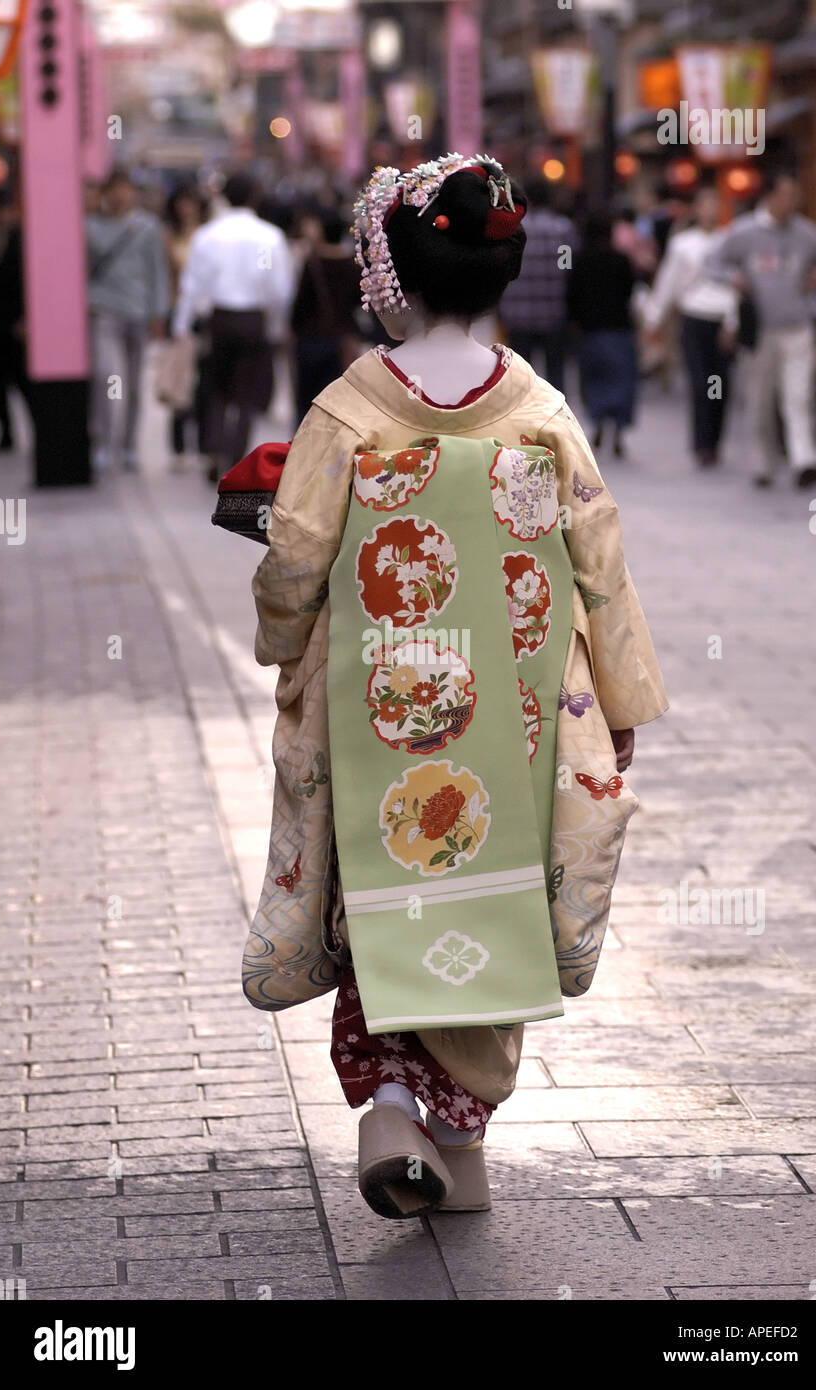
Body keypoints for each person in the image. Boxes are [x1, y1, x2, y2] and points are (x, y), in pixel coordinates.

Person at [240, 155, 668, 1220]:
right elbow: (599, 566)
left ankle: (392, 1107)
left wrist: (282, 642)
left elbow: (295, 555)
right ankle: (458, 1145)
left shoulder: (349, 409)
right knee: (500, 899)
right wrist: (618, 702)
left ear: (394, 276)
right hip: (521, 710)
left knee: (381, 892)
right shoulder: (540, 409)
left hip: (381, 703)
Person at [708, 172, 816, 488]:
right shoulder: (744, 233)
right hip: (759, 331)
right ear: (769, 197)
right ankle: (762, 462)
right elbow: (712, 264)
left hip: (798, 327)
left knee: (799, 396)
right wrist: (733, 279)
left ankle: (804, 459)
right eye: (785, 195)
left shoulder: (806, 233)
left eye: (794, 196)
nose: (791, 202)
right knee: (759, 399)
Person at [172, 172, 294, 482]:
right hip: (253, 320)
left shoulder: (208, 235)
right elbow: (280, 290)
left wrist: (182, 326)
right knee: (246, 393)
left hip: (219, 319)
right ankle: (235, 455)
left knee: (216, 387)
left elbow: (192, 285)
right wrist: (277, 328)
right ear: (254, 198)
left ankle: (212, 450)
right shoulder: (270, 236)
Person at [643, 188, 738, 466]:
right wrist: (654, 318)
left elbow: (736, 287)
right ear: (696, 209)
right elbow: (668, 282)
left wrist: (733, 322)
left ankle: (716, 440)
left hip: (722, 319)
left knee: (721, 383)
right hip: (694, 317)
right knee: (699, 382)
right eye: (705, 204)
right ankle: (701, 444)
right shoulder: (682, 244)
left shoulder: (729, 241)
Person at [86, 168, 170, 472]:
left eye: (127, 189)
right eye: (116, 188)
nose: (122, 195)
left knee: (134, 384)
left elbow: (157, 270)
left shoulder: (147, 227)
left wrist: (159, 311)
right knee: (107, 377)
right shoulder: (90, 226)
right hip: (103, 310)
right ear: (107, 191)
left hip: (139, 311)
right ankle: (104, 443)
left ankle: (129, 445)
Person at [567, 210, 638, 457]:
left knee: (594, 379)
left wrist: (574, 321)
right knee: (621, 380)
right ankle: (618, 430)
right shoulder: (622, 261)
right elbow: (631, 291)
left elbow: (572, 295)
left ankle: (597, 422)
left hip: (590, 331)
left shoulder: (580, 260)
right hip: (619, 328)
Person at [498, 178, 578, 392]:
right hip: (554, 312)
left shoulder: (514, 228)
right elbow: (568, 268)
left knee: (520, 377)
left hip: (517, 313)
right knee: (556, 375)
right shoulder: (563, 230)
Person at [290, 206, 365, 422]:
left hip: (310, 339)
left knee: (306, 401)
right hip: (341, 340)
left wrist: (292, 331)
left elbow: (300, 305)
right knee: (334, 401)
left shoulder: (313, 263)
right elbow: (359, 302)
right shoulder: (354, 263)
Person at [162, 185, 207, 470]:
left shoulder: (207, 235)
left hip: (204, 313)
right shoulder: (168, 236)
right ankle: (178, 445)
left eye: (190, 202)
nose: (186, 208)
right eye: (182, 202)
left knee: (203, 380)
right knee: (180, 378)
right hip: (178, 312)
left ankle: (202, 443)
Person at [0, 187, 26, 453]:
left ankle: (37, 425)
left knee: (22, 379)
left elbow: (26, 283)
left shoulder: (22, 239)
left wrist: (26, 317)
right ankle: (6, 433)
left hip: (16, 320)